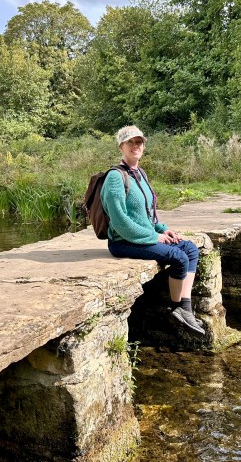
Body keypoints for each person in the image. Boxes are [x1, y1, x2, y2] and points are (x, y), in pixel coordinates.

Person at [101, 125, 205, 336]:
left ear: (143, 146)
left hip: (144, 236)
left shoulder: (140, 174)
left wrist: (164, 230)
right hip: (123, 241)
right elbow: (120, 222)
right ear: (121, 146)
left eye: (139, 142)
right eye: (130, 142)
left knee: (191, 249)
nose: (135, 145)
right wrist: (153, 236)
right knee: (178, 257)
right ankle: (178, 309)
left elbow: (148, 215)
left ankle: (186, 309)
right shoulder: (115, 177)